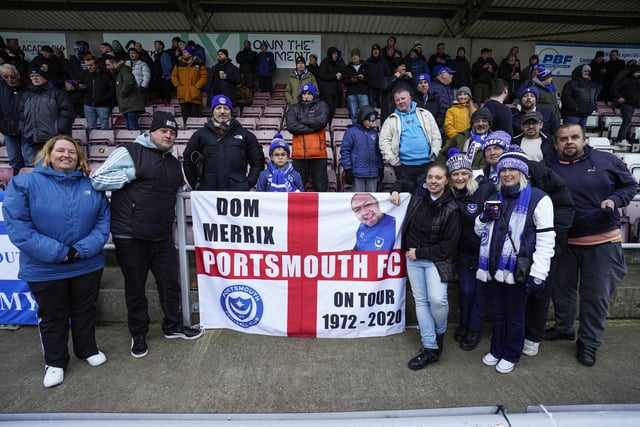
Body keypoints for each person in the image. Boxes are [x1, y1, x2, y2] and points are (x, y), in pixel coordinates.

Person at [91, 112, 204, 358]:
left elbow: (177, 186)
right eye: (164, 131)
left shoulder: (173, 162)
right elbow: (97, 179)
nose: (169, 136)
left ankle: (172, 326)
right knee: (135, 288)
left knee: (170, 283)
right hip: (130, 235)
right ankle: (138, 334)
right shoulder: (128, 151)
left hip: (161, 234)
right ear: (151, 132)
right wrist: (130, 175)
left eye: (173, 133)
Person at [3, 135, 110, 388]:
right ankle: (55, 362)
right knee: (52, 316)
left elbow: (102, 223)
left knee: (85, 310)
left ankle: (87, 349)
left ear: (79, 157)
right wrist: (59, 252)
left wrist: (80, 250)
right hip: (44, 268)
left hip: (86, 264)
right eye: (60, 150)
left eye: (72, 152)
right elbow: (19, 228)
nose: (66, 155)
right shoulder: (23, 183)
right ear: (48, 154)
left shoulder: (91, 186)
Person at [543, 122, 636, 367]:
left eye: (574, 137)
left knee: (595, 297)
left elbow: (630, 185)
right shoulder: (547, 166)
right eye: (563, 139)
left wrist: (614, 200)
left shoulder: (606, 160)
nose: (569, 142)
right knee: (561, 291)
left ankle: (589, 342)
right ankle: (563, 328)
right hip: (563, 242)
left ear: (584, 140)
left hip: (602, 241)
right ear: (556, 144)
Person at [475, 145, 555, 374]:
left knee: (515, 315)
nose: (507, 173)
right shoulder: (494, 197)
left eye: (513, 169)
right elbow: (479, 231)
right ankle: (497, 348)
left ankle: (511, 353)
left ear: (523, 172)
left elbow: (547, 240)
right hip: (493, 266)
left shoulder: (539, 199)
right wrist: (483, 217)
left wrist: (539, 273)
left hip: (518, 269)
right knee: (497, 313)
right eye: (503, 169)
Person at [391, 162, 461, 370]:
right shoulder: (420, 192)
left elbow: (449, 246)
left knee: (437, 300)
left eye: (438, 178)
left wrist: (419, 252)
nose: (433, 181)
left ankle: (440, 333)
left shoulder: (452, 208)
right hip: (413, 258)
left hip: (435, 260)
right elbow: (402, 181)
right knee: (421, 301)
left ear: (446, 181)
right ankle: (430, 347)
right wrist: (395, 189)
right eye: (430, 177)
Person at [445, 148, 495, 344]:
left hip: (484, 252)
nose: (460, 178)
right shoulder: (448, 193)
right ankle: (464, 324)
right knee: (466, 291)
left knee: (481, 291)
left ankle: (474, 329)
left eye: (464, 173)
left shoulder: (485, 189)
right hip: (463, 252)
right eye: (455, 174)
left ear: (471, 174)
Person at [183, 95, 263, 191]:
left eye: (226, 108)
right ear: (213, 111)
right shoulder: (200, 134)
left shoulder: (245, 135)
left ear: (230, 111)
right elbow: (188, 160)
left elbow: (258, 161)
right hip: (208, 193)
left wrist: (247, 184)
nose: (222, 111)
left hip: (237, 193)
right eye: (218, 108)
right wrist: (196, 184)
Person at [379, 87, 442, 186]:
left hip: (427, 163)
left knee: (427, 196)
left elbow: (436, 135)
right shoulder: (391, 120)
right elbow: (384, 142)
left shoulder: (425, 114)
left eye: (403, 98)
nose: (400, 102)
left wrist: (434, 154)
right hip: (404, 167)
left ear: (410, 98)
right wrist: (393, 161)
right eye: (397, 100)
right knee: (407, 198)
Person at [19, 67, 74, 166]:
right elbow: (21, 115)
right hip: (33, 139)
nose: (35, 78)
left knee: (55, 166)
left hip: (53, 138)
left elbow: (67, 114)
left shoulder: (58, 93)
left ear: (45, 77)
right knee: (37, 167)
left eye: (37, 76)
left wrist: (59, 130)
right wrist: (24, 130)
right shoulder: (27, 95)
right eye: (32, 76)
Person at [285, 83, 330, 192]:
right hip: (299, 156)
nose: (306, 96)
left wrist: (301, 120)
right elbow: (291, 126)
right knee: (297, 189)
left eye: (309, 94)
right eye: (304, 93)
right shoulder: (294, 108)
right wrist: (312, 128)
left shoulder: (322, 105)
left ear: (314, 94)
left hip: (318, 156)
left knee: (321, 189)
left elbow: (321, 122)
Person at [340, 106, 383, 192]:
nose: (371, 123)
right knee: (359, 201)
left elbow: (378, 152)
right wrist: (348, 169)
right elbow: (345, 151)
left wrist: (381, 167)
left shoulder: (374, 133)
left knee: (372, 200)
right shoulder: (351, 132)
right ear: (362, 118)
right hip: (357, 172)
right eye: (369, 121)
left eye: (373, 121)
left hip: (373, 173)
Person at [0, 64, 28, 175]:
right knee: (14, 161)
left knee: (30, 160)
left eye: (12, 76)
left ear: (18, 75)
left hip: (26, 129)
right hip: (7, 129)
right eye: (5, 77)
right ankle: (17, 186)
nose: (9, 80)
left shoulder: (28, 87)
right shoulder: (1, 87)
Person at [171, 45, 208, 126]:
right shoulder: (178, 64)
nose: (183, 54)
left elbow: (204, 76)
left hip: (195, 95)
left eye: (185, 52)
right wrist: (178, 86)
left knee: (195, 120)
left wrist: (197, 86)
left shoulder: (199, 64)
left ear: (190, 54)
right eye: (183, 52)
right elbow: (173, 76)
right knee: (185, 120)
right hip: (183, 95)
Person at [104, 57, 145, 131]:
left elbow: (129, 83)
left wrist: (122, 94)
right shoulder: (120, 71)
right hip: (128, 106)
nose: (107, 67)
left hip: (131, 106)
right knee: (130, 129)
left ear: (114, 63)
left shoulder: (124, 71)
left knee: (133, 130)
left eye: (108, 65)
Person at [79, 55, 114, 132]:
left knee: (104, 127)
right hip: (88, 104)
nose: (89, 67)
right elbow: (79, 85)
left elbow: (112, 90)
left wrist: (104, 99)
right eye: (87, 65)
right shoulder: (84, 74)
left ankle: (105, 143)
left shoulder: (106, 75)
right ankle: (92, 144)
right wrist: (79, 87)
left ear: (97, 64)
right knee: (91, 127)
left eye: (91, 65)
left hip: (103, 104)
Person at [610, 64, 640, 146]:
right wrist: (619, 97)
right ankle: (620, 139)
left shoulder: (638, 81)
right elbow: (614, 89)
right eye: (637, 72)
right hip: (626, 104)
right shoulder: (626, 80)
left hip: (634, 104)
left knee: (628, 121)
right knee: (627, 121)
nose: (638, 74)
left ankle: (622, 138)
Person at [560, 65, 596, 129]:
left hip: (585, 115)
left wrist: (592, 107)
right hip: (572, 115)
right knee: (570, 134)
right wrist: (576, 108)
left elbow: (593, 97)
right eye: (585, 71)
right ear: (579, 72)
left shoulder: (589, 84)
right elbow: (566, 98)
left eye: (588, 71)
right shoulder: (571, 83)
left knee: (580, 136)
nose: (587, 72)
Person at [343, 48, 370, 125]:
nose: (354, 57)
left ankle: (364, 130)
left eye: (356, 55)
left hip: (363, 92)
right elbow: (344, 80)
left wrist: (363, 78)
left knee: (365, 113)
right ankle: (355, 130)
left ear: (359, 57)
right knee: (353, 114)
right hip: (351, 93)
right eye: (353, 56)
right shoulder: (347, 67)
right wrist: (351, 80)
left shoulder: (365, 66)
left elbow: (370, 79)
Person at [318, 47, 345, 124]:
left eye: (336, 54)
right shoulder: (325, 62)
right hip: (327, 93)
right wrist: (334, 76)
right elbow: (322, 75)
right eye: (334, 54)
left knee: (332, 112)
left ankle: (329, 128)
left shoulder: (337, 64)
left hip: (335, 93)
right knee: (326, 112)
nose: (336, 55)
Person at [364, 43, 390, 109]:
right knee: (370, 107)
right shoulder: (368, 62)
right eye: (374, 50)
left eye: (377, 50)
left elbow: (388, 74)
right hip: (371, 88)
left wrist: (384, 84)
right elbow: (364, 74)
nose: (375, 51)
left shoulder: (383, 62)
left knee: (381, 106)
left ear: (379, 51)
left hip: (381, 88)